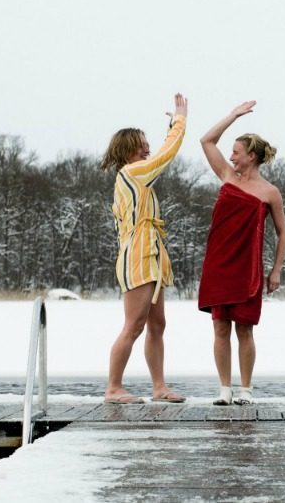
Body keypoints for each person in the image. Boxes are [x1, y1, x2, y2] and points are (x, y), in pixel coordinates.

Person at [99, 93, 188, 404]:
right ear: (128, 150)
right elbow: (167, 155)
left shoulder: (135, 175)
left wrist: (169, 128)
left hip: (149, 252)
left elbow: (159, 154)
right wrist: (179, 121)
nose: (147, 149)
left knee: (157, 323)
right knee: (134, 324)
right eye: (141, 144)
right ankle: (113, 388)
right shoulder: (132, 172)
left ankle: (159, 387)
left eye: (147, 143)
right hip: (138, 254)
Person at [198, 101, 285, 405]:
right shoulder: (227, 176)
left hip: (247, 268)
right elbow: (206, 141)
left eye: (236, 151)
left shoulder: (269, 192)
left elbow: (282, 233)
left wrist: (275, 270)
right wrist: (233, 115)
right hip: (218, 264)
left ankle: (246, 390)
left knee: (245, 329)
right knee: (220, 327)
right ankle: (225, 389)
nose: (231, 156)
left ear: (251, 156)